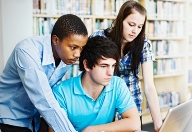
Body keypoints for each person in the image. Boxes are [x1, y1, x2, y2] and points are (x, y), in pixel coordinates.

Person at [0, 14, 88, 132]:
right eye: (73, 47)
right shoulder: (26, 51)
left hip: (34, 117)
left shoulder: (65, 57)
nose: (78, 55)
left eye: (81, 48)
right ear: (55, 40)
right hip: (11, 117)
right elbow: (44, 99)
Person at [89, 0, 162, 131]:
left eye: (140, 27)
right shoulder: (99, 37)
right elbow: (88, 73)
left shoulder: (144, 44)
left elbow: (150, 86)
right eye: (131, 24)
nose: (135, 31)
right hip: (103, 105)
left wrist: (158, 124)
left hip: (131, 104)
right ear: (120, 20)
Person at [49, 36, 141, 132]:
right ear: (87, 65)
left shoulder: (117, 84)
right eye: (104, 66)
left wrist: (93, 130)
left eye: (113, 66)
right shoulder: (61, 92)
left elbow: (134, 123)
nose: (110, 73)